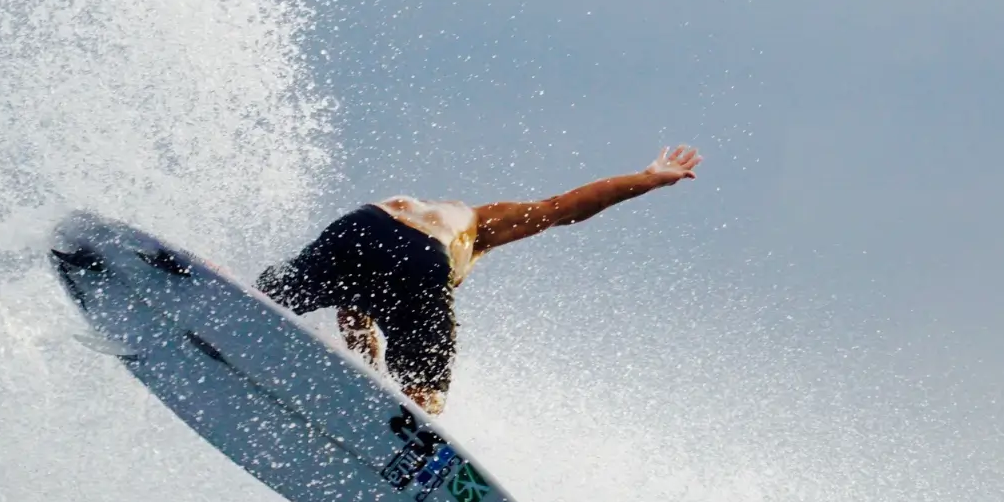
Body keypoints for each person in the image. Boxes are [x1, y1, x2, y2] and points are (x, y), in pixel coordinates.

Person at [255, 144, 702, 414]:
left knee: (269, 298)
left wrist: (368, 377)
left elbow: (356, 321)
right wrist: (646, 179)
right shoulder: (476, 226)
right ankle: (415, 433)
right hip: (417, 259)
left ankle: (216, 296)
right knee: (426, 392)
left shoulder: (384, 271)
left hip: (358, 226)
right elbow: (562, 208)